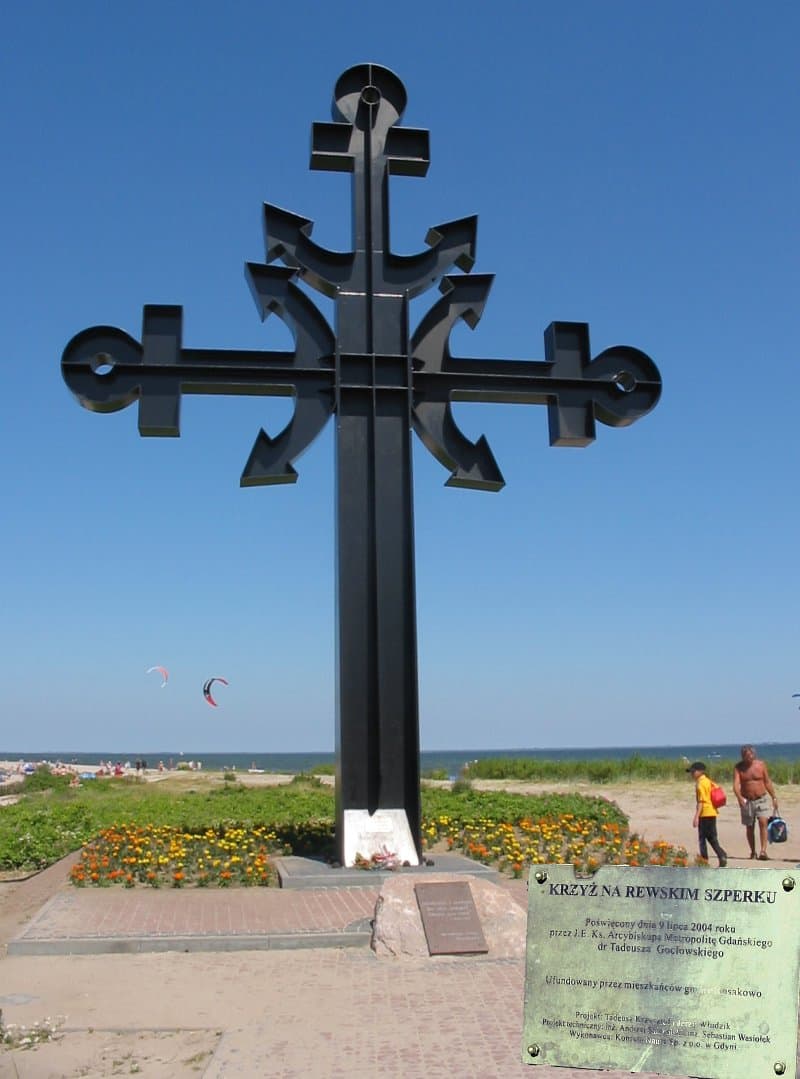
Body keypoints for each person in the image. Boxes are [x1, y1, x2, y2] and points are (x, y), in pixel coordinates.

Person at [733, 745, 779, 859]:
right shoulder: (739, 767)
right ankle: (753, 851)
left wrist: (774, 797)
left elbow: (767, 781)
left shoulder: (761, 765)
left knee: (763, 822)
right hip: (747, 800)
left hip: (761, 798)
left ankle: (763, 851)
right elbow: (735, 785)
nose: (749, 757)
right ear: (743, 756)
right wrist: (739, 798)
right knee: (749, 826)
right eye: (746, 755)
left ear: (754, 754)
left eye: (751, 755)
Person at [687, 761, 727, 867]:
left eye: (693, 772)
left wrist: (696, 817)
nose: (692, 774)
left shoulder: (700, 784)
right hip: (712, 812)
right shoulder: (709, 781)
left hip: (705, 813)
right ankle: (721, 854)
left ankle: (704, 860)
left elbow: (701, 801)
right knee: (712, 837)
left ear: (700, 772)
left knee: (702, 839)